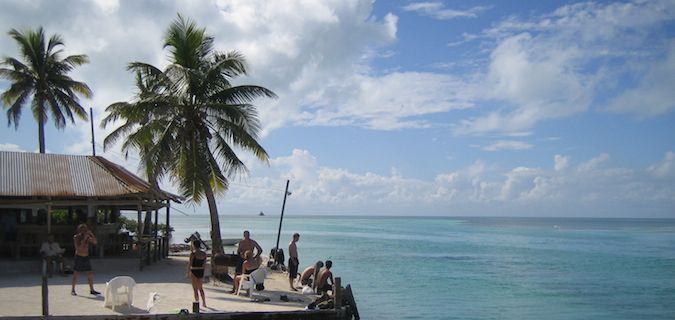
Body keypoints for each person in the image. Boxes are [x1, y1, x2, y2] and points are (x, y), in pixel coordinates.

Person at [71, 224, 100, 295]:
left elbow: (95, 242)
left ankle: (92, 289)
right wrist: (84, 239)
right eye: (82, 229)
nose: (83, 231)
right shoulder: (76, 237)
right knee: (76, 274)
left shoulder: (87, 237)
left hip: (86, 257)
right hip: (79, 257)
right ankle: (73, 290)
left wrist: (91, 235)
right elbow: (78, 249)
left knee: (89, 274)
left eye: (85, 229)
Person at [187, 240, 207, 308]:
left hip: (194, 270)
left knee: (195, 289)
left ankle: (197, 303)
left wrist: (188, 272)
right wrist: (203, 272)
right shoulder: (204, 254)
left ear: (194, 245)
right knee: (201, 288)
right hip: (201, 271)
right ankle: (204, 303)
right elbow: (204, 265)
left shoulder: (192, 254)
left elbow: (190, 264)